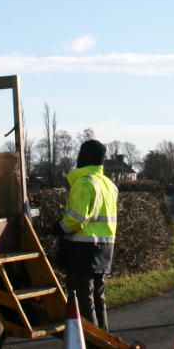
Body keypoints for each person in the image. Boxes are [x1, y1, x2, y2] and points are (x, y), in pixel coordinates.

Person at [58, 139, 118, 335]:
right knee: (98, 300)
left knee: (83, 302)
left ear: (83, 157)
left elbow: (76, 218)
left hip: (82, 251)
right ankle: (105, 347)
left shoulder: (84, 183)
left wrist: (58, 227)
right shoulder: (109, 185)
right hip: (105, 249)